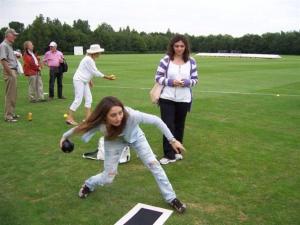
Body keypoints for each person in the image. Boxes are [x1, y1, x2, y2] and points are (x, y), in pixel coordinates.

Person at [60, 96, 187, 213]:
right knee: (108, 177)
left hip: (136, 138)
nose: (118, 118)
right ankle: (89, 184)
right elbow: (81, 127)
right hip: (113, 141)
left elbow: (157, 121)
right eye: (113, 115)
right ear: (105, 116)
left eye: (120, 113)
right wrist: (64, 137)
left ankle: (171, 198)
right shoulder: (100, 123)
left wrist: (172, 140)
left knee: (155, 166)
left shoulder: (132, 116)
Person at [155, 34, 198, 165]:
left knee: (179, 126)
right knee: (167, 125)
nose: (179, 48)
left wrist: (187, 82)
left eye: (182, 46)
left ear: (185, 47)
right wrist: (171, 82)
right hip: (167, 97)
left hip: (184, 99)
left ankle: (177, 151)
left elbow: (195, 80)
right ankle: (168, 155)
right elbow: (158, 78)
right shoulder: (165, 60)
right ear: (172, 47)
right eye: (176, 46)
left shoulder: (191, 61)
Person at [66, 44, 115, 125]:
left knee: (89, 98)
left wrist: (90, 80)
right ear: (94, 53)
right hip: (79, 80)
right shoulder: (89, 60)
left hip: (84, 81)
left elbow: (87, 70)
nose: (100, 54)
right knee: (78, 99)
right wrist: (107, 77)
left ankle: (88, 118)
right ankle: (69, 118)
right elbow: (95, 72)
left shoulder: (89, 59)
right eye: (99, 52)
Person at [0, 28, 20, 122]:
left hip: (13, 71)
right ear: (8, 35)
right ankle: (8, 116)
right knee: (10, 94)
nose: (15, 37)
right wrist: (10, 73)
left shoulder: (9, 45)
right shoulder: (3, 45)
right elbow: (3, 60)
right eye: (14, 35)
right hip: (10, 71)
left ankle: (11, 113)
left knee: (13, 94)